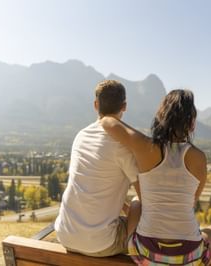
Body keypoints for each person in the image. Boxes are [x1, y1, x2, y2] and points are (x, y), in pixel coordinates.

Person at [101, 89, 211, 266]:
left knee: (137, 202)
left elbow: (108, 121)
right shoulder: (199, 158)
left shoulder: (144, 146)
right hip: (190, 256)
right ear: (192, 124)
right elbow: (191, 201)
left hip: (145, 254)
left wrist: (136, 133)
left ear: (160, 118)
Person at [54, 80, 140, 257]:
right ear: (124, 106)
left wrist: (122, 207)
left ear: (96, 105)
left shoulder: (81, 136)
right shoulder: (123, 145)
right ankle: (134, 250)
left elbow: (89, 185)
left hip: (65, 235)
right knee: (138, 203)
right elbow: (146, 195)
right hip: (101, 245)